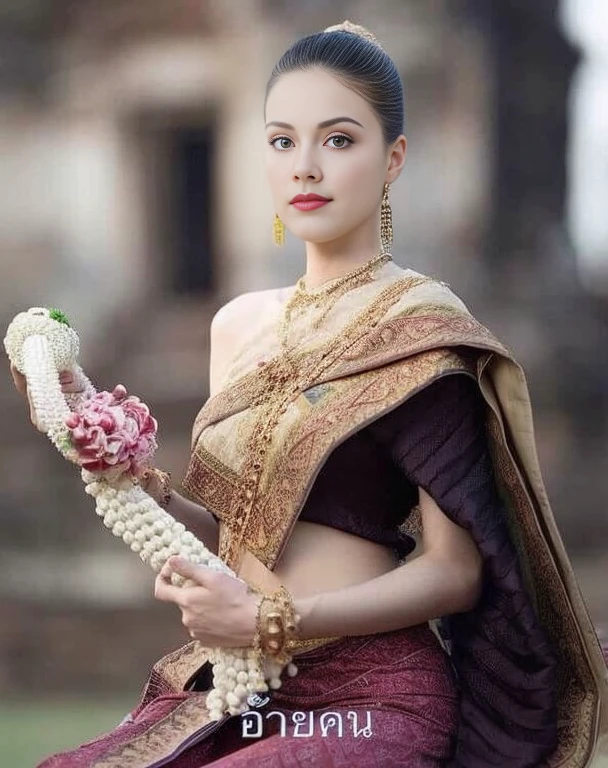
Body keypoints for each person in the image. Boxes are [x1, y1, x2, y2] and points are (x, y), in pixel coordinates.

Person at [8, 19, 608, 768]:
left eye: (339, 140)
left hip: (371, 695)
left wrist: (270, 619)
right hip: (244, 688)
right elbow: (242, 541)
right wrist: (121, 466)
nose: (306, 168)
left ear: (393, 160)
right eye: (283, 141)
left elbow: (456, 572)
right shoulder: (236, 325)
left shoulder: (419, 328)